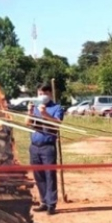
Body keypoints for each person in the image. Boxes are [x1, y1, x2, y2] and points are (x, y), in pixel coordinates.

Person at [26, 84, 63, 215]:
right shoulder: (35, 107)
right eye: (39, 94)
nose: (41, 96)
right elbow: (27, 123)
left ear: (49, 94)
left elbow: (57, 123)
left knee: (50, 175)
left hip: (48, 147)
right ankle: (43, 201)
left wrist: (44, 114)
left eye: (43, 94)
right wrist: (30, 112)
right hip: (34, 146)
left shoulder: (56, 107)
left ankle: (51, 204)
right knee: (38, 175)